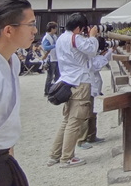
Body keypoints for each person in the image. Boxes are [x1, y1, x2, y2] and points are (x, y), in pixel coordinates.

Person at [0, 0, 36, 186]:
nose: (35, 30)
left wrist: (8, 148)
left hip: (2, 156)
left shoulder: (13, 60)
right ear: (8, 30)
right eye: (31, 24)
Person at [48, 12, 99, 168]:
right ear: (78, 28)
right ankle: (67, 158)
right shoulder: (75, 38)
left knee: (67, 120)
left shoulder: (62, 38)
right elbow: (92, 50)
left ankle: (54, 156)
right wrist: (92, 36)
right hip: (80, 82)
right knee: (75, 121)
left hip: (66, 81)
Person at [77, 37, 112, 149]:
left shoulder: (94, 55)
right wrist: (108, 53)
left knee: (93, 113)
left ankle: (92, 136)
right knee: (86, 114)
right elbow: (96, 66)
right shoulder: (88, 56)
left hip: (94, 88)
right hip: (89, 87)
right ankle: (82, 140)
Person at [41, 22, 60, 96]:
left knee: (58, 75)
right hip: (50, 58)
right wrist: (55, 46)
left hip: (56, 58)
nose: (56, 30)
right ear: (52, 29)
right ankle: (47, 91)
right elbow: (45, 47)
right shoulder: (46, 37)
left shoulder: (54, 36)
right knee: (50, 76)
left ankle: (56, 89)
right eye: (55, 28)